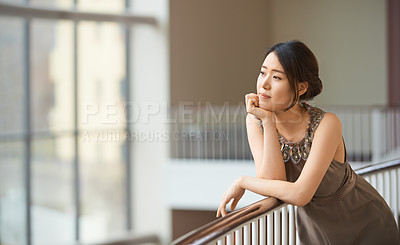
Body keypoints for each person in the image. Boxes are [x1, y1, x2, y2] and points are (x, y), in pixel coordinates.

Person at [216, 40, 400, 244]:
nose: (264, 84)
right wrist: (268, 121)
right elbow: (273, 181)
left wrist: (242, 181)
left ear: (302, 87)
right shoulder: (256, 120)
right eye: (262, 72)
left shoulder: (327, 124)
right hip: (319, 231)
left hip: (367, 224)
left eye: (276, 77)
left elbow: (301, 194)